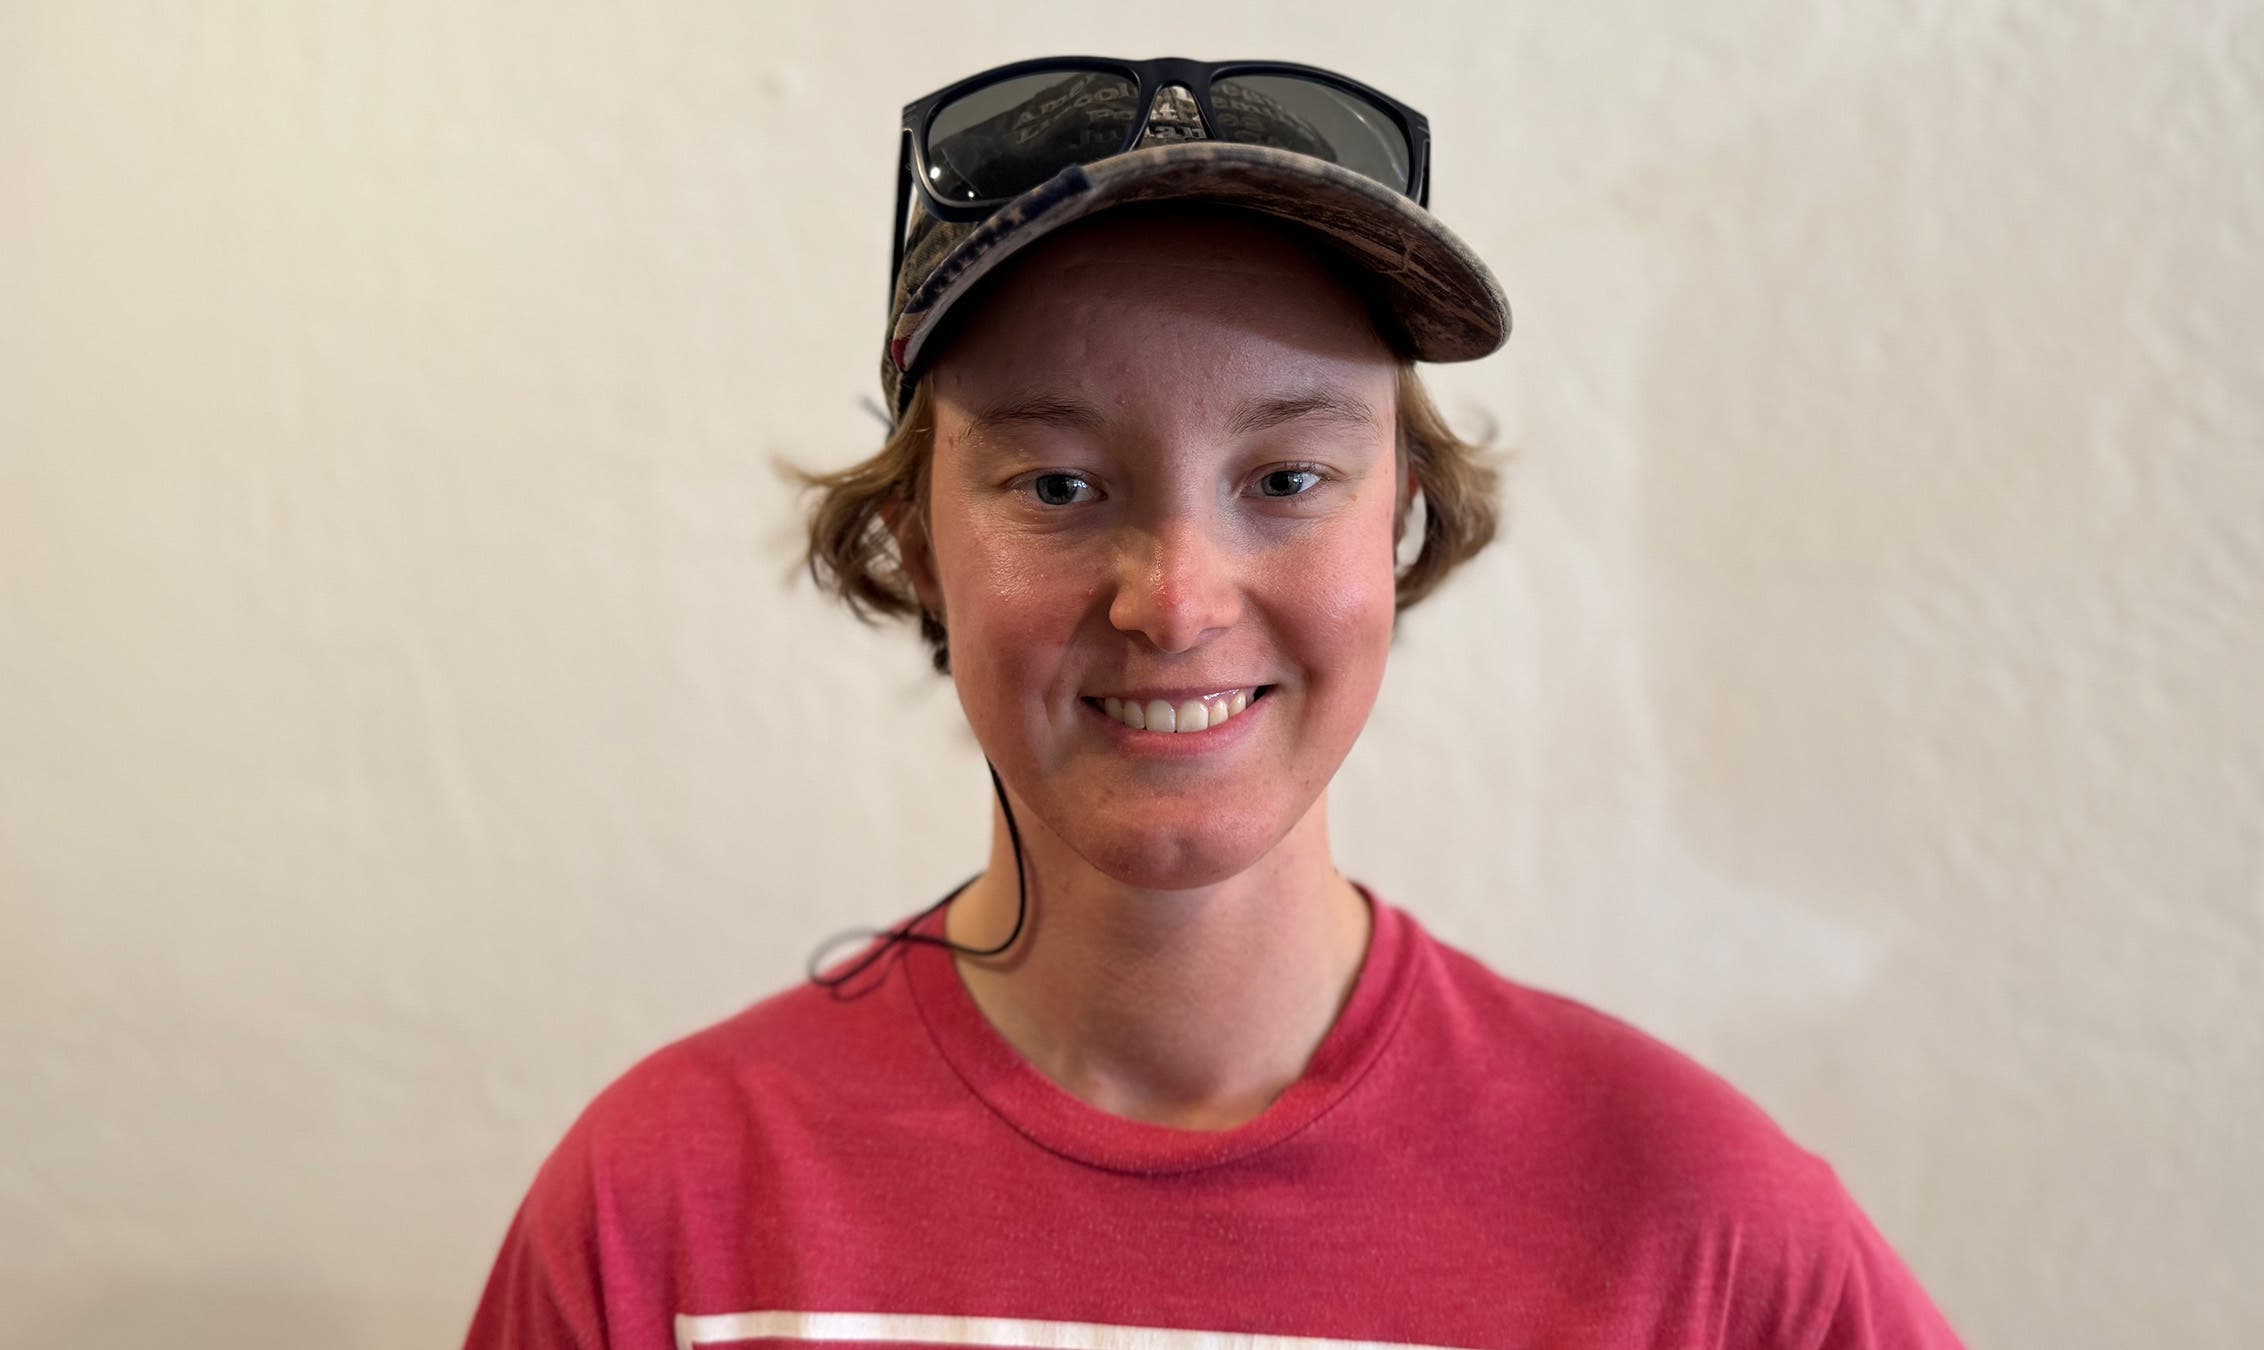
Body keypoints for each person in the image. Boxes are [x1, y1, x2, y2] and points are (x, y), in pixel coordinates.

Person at [464, 57, 1966, 1348]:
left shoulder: (1697, 1234)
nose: (1176, 601)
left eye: (1288, 478)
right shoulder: (665, 1223)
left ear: (1399, 521)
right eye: (1059, 485)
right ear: (917, 543)